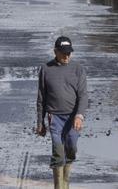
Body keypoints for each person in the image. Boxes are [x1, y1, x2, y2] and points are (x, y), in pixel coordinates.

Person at [36, 36, 88, 189]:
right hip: (55, 117)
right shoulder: (46, 69)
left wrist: (79, 115)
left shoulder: (78, 69)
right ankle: (59, 186)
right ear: (55, 51)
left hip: (73, 118)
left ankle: (66, 181)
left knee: (71, 148)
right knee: (58, 152)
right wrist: (40, 123)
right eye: (63, 53)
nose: (67, 56)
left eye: (69, 53)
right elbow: (41, 99)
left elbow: (83, 96)